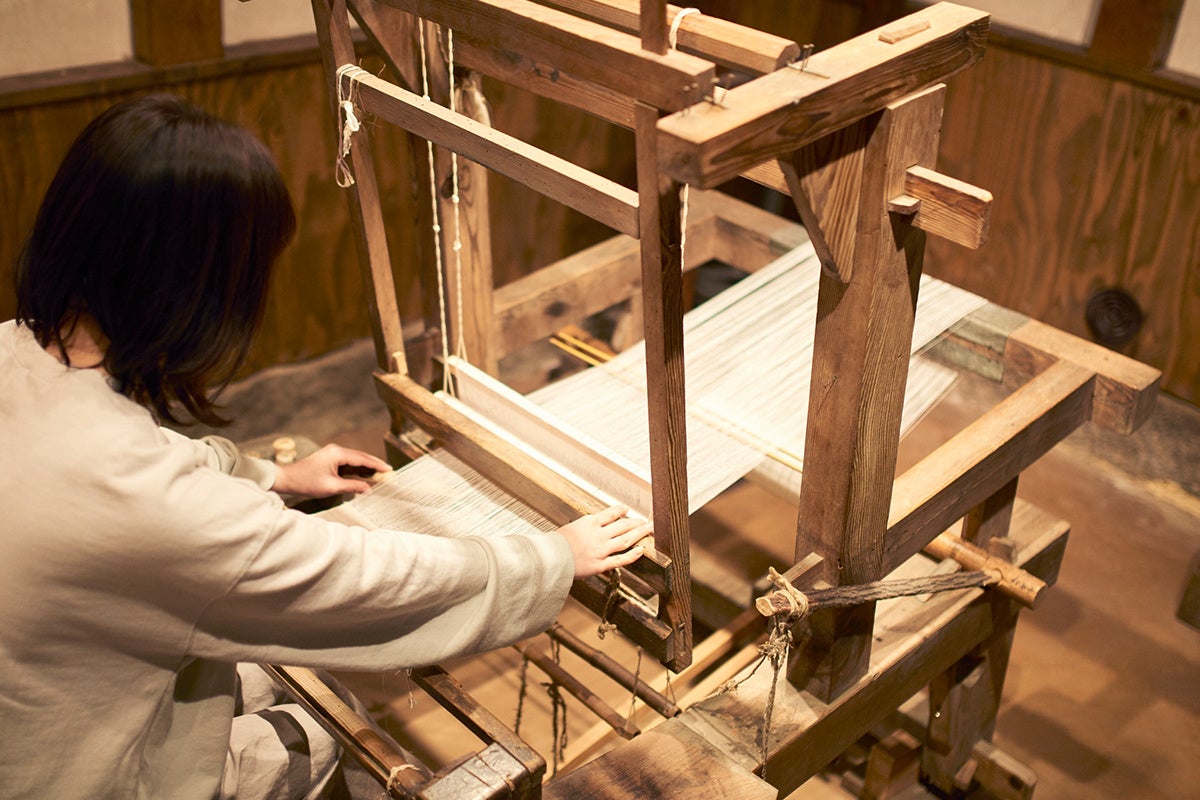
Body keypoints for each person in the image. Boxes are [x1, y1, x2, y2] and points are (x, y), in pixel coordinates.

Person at [0, 94, 649, 799]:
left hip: (33, 703)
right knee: (317, 730)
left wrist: (269, 476)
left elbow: (127, 468)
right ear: (199, 289)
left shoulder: (15, 349)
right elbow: (357, 580)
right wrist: (550, 559)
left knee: (247, 678)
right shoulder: (158, 511)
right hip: (74, 776)